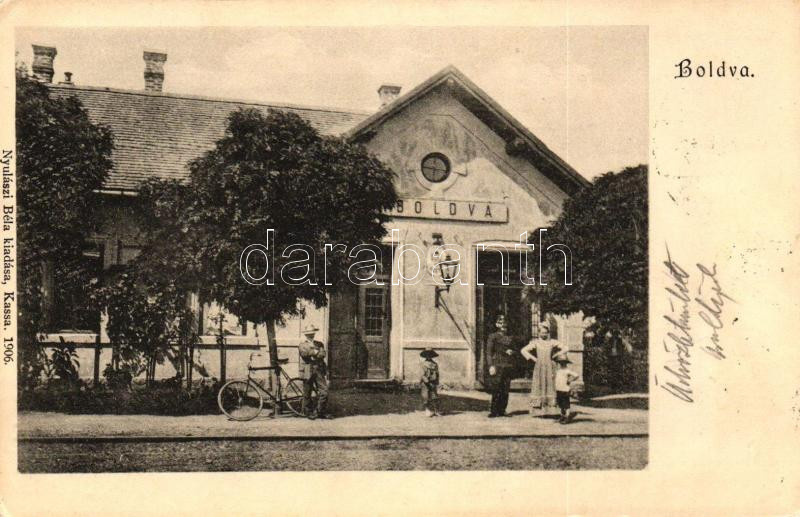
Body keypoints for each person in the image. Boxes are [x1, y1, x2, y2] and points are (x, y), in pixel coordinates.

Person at [520, 319, 561, 418]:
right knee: (538, 386)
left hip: (550, 366)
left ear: (548, 333)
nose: (544, 334)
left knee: (549, 386)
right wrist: (534, 359)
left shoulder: (552, 342)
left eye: (545, 332)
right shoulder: (536, 342)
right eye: (542, 332)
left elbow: (566, 348)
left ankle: (550, 410)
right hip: (539, 367)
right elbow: (523, 350)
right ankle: (538, 410)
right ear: (539, 333)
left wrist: (556, 355)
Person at [485, 314, 516, 418]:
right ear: (496, 324)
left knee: (505, 389)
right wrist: (491, 365)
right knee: (496, 388)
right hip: (497, 364)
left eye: (504, 323)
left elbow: (516, 350)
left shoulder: (510, 337)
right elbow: (489, 352)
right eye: (500, 323)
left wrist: (512, 352)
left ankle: (502, 410)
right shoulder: (493, 336)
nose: (503, 325)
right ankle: (494, 411)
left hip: (508, 365)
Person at [298, 324, 331, 420]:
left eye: (312, 333)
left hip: (319, 370)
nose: (311, 335)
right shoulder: (302, 345)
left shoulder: (319, 344)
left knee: (324, 391)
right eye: (308, 333)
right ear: (305, 335)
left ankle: (319, 412)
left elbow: (323, 354)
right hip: (307, 370)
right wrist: (315, 352)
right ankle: (308, 413)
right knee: (307, 393)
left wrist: (313, 353)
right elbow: (304, 354)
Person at [553, 352, 579, 424]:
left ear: (566, 363)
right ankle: (562, 416)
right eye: (560, 362)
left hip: (565, 389)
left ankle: (567, 416)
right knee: (560, 403)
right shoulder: (558, 371)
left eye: (563, 362)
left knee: (566, 403)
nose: (562, 364)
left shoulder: (567, 370)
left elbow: (576, 375)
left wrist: (570, 380)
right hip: (558, 389)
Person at [419, 348, 441, 417]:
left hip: (433, 382)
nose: (429, 356)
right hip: (426, 383)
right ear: (425, 356)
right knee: (426, 396)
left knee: (434, 396)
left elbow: (437, 374)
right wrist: (427, 382)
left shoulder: (435, 364)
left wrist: (437, 382)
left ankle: (436, 410)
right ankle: (428, 410)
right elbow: (422, 375)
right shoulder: (423, 364)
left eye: (430, 355)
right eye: (427, 355)